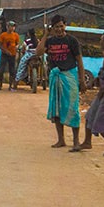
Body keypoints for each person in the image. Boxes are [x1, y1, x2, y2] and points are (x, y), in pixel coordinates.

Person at [44, 15, 86, 149]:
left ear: (65, 26)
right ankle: (61, 139)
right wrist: (45, 35)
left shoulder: (72, 41)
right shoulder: (49, 41)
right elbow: (39, 51)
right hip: (55, 77)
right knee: (56, 108)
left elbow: (79, 61)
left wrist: (82, 79)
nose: (59, 29)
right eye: (56, 27)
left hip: (70, 76)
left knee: (72, 108)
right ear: (52, 28)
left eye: (61, 26)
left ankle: (76, 141)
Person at [0, 20, 20, 90]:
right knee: (1, 69)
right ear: (7, 27)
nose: (12, 28)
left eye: (13, 27)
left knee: (12, 70)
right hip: (4, 54)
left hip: (12, 55)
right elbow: (0, 45)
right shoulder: (3, 35)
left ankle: (10, 85)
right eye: (11, 26)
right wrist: (6, 51)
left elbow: (18, 43)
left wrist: (17, 47)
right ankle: (0, 84)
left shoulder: (16, 35)